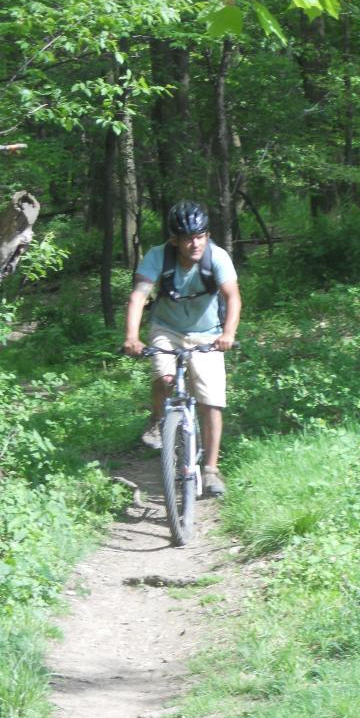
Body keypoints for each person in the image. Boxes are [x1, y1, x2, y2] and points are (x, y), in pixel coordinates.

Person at [122, 200, 241, 497]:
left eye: (200, 236)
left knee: (211, 402)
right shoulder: (157, 258)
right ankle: (158, 418)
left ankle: (211, 470)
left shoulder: (218, 257)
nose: (195, 243)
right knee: (166, 379)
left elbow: (233, 297)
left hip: (209, 334)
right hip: (167, 329)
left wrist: (228, 333)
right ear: (174, 240)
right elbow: (138, 297)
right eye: (188, 238)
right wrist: (132, 336)